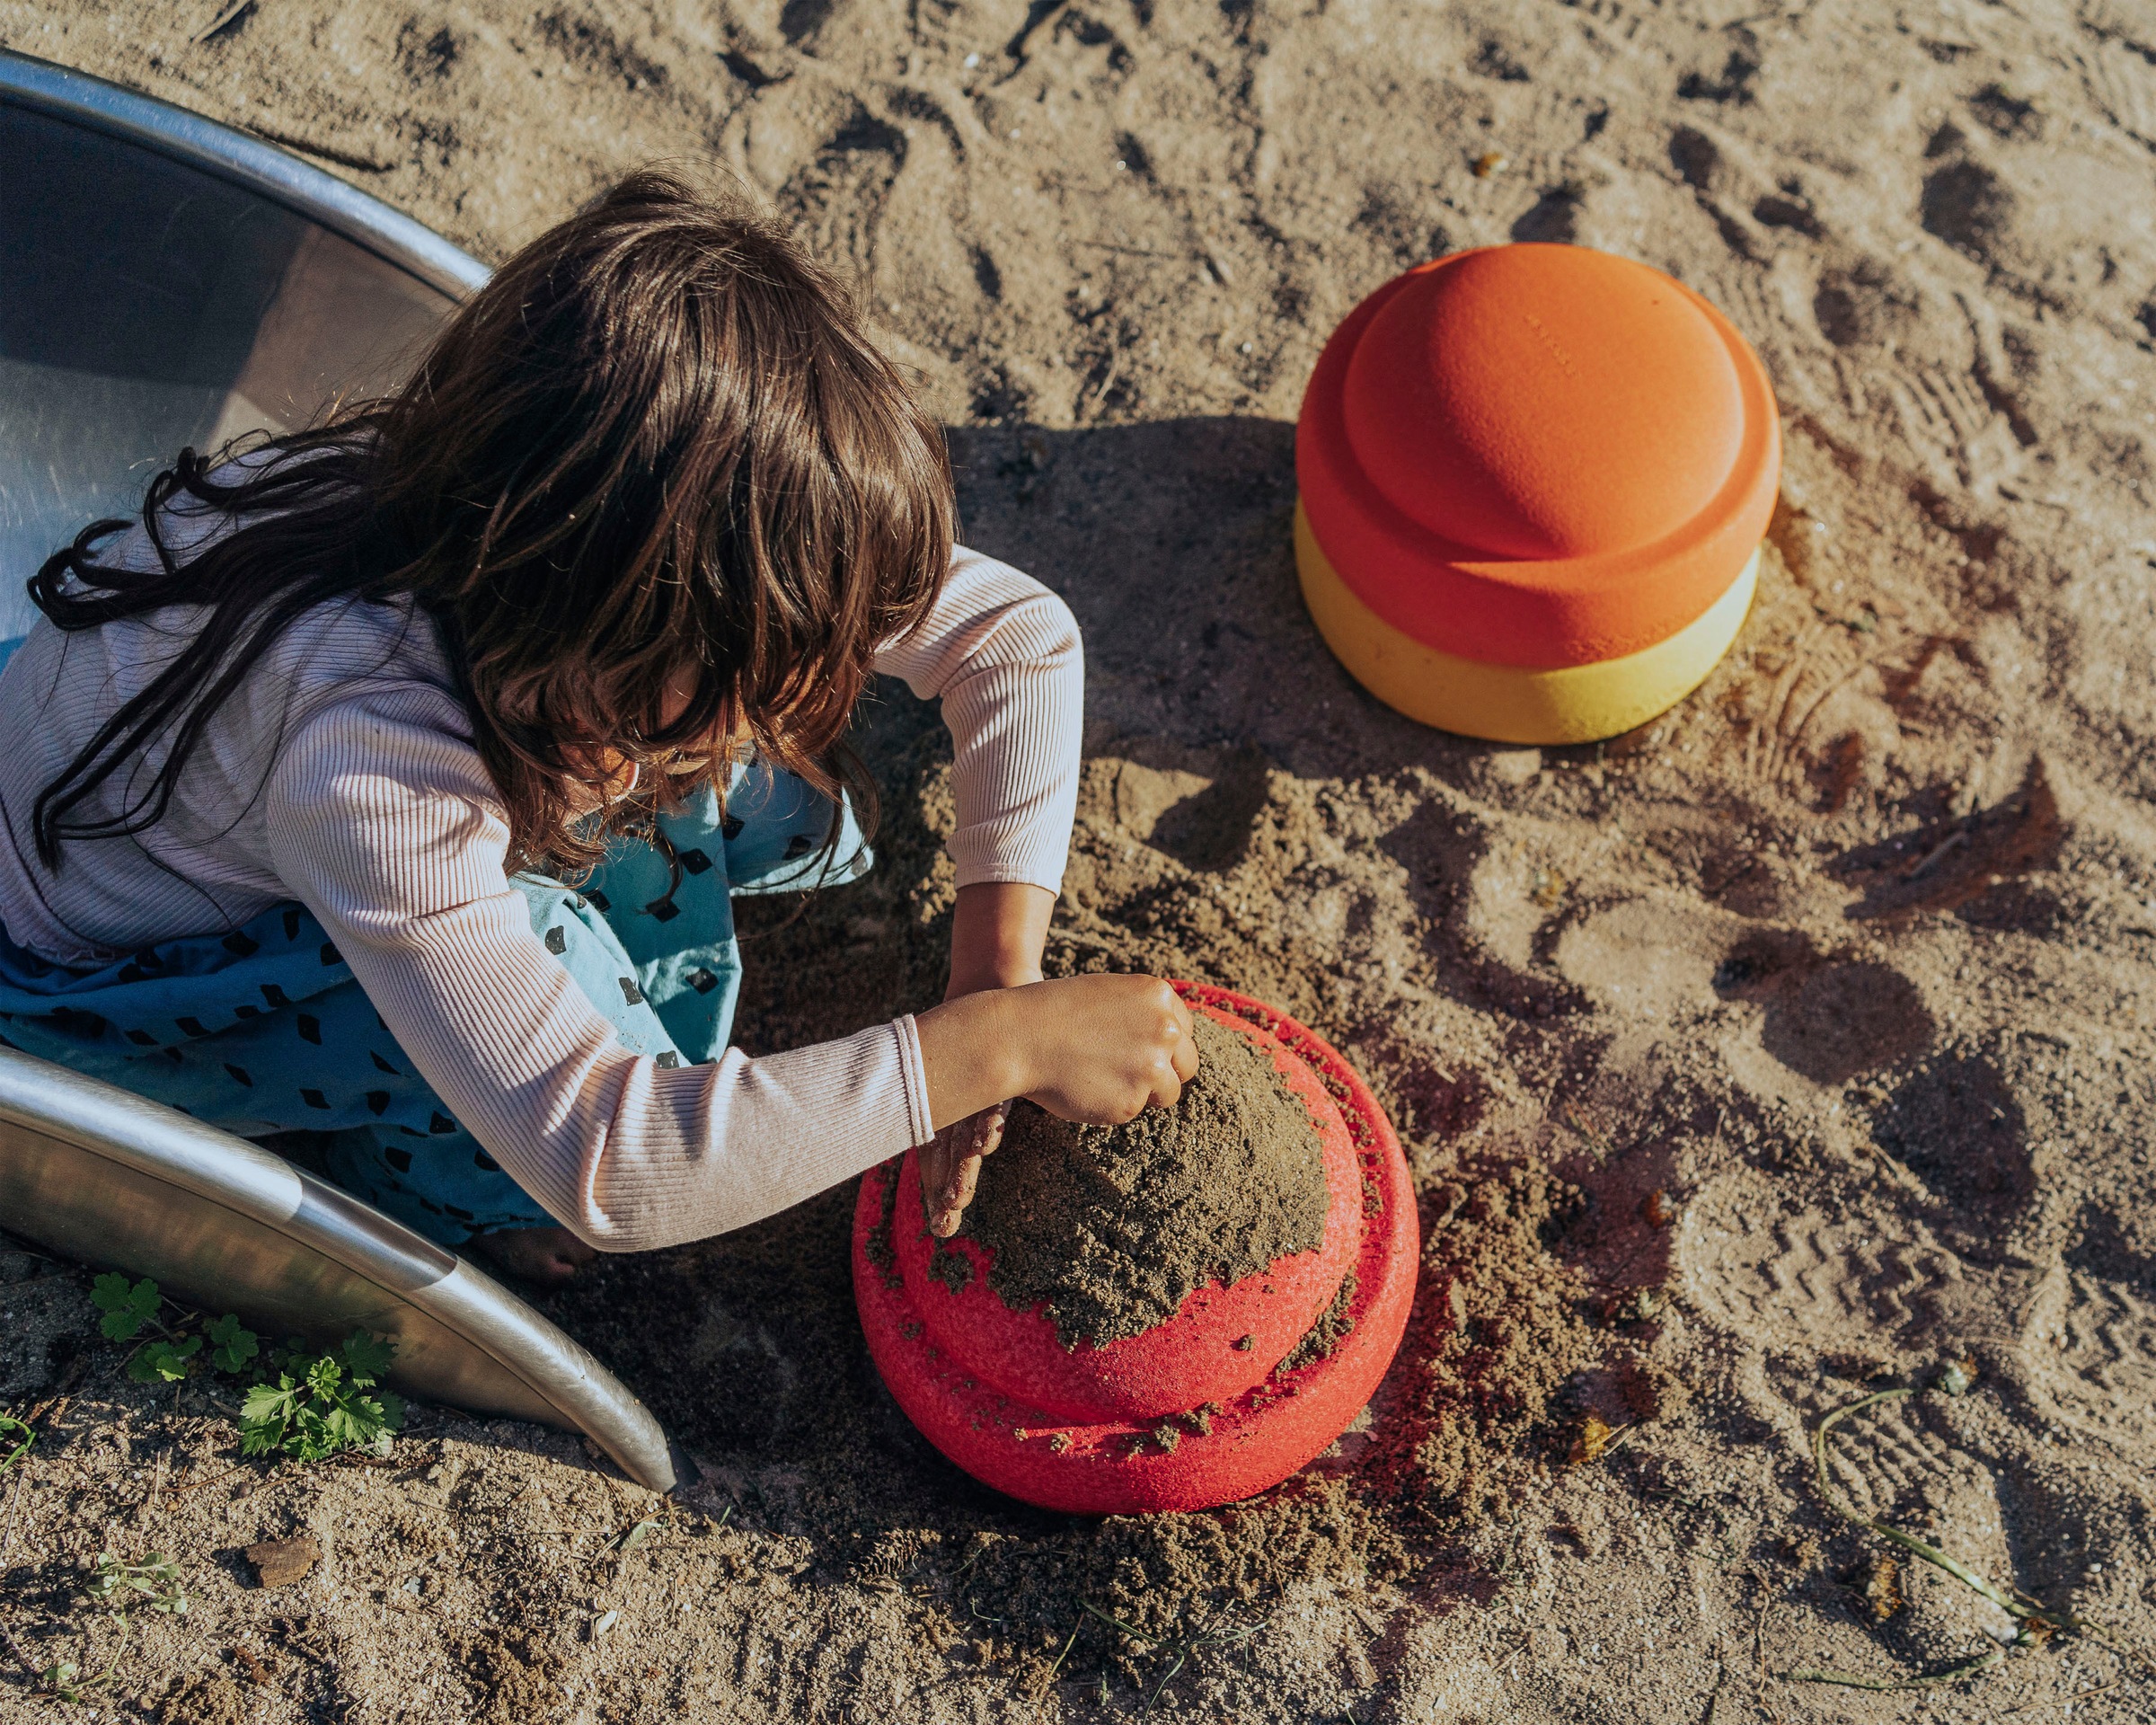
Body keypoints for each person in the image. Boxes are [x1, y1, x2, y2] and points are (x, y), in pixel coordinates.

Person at [0, 168, 1197, 1287]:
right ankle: (433, 1188)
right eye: (742, 673)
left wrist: (998, 961)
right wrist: (988, 1047)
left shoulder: (546, 542)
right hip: (117, 990)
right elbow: (616, 1164)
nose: (777, 704)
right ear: (610, 618)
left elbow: (1014, 640)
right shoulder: (370, 770)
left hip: (270, 788)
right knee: (547, 1055)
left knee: (743, 794)